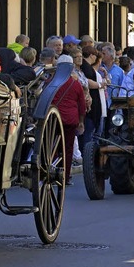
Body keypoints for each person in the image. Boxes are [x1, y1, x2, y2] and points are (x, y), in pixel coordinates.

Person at [52, 55, 86, 186]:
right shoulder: (75, 83)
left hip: (54, 118)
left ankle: (53, 174)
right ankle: (64, 177)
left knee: (53, 147)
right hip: (70, 119)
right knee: (67, 148)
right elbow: (81, 104)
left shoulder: (51, 81)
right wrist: (81, 121)